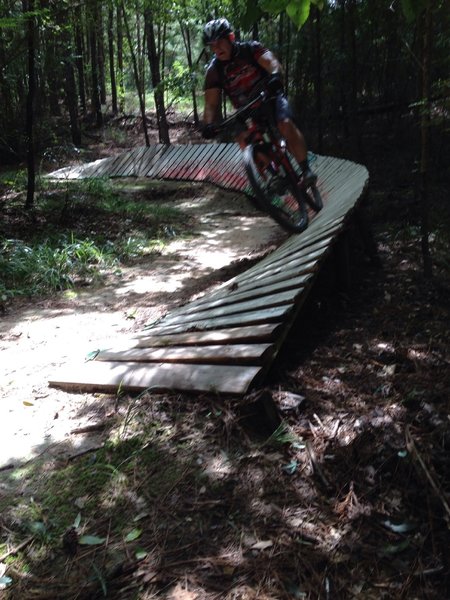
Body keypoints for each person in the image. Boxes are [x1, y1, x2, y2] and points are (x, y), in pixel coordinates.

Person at [201, 17, 316, 185]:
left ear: (231, 38)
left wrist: (275, 76)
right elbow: (210, 104)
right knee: (243, 139)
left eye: (219, 42)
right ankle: (271, 175)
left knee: (284, 124)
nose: (216, 49)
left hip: (269, 96)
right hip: (247, 110)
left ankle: (306, 170)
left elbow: (271, 62)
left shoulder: (250, 49)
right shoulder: (214, 71)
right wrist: (208, 125)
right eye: (212, 45)